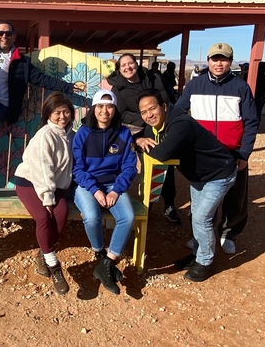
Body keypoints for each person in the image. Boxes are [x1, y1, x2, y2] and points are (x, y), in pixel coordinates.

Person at [136, 90, 237, 282]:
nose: (149, 115)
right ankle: (199, 254)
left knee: (201, 218)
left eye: (152, 108)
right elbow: (143, 139)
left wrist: (142, 144)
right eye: (143, 112)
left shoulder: (181, 124)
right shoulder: (156, 126)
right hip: (199, 176)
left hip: (219, 174)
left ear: (164, 106)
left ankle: (205, 262)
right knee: (196, 216)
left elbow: (162, 153)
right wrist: (139, 140)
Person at [175, 42, 259, 255]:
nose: (218, 63)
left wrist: (245, 153)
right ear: (208, 61)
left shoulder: (241, 88)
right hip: (202, 154)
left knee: (235, 197)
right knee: (202, 199)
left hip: (232, 152)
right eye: (214, 59)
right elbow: (177, 113)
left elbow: (251, 122)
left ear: (230, 62)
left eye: (223, 59)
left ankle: (228, 234)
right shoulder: (194, 86)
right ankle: (201, 236)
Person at [72, 89, 138, 295]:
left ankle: (108, 264)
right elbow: (77, 169)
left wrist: (116, 190)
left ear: (115, 109)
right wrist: (95, 190)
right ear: (93, 108)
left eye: (109, 106)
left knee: (128, 217)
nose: (105, 111)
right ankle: (100, 253)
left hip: (113, 184)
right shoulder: (82, 133)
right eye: (100, 106)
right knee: (92, 217)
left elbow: (129, 166)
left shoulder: (123, 134)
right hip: (86, 184)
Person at [13, 92, 76, 295]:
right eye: (57, 112)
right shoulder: (45, 135)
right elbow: (43, 168)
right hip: (30, 182)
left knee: (61, 214)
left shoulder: (71, 134)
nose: (62, 116)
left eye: (66, 111)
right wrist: (47, 197)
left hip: (54, 185)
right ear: (48, 113)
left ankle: (42, 253)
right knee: (43, 216)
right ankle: (54, 265)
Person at [106, 53, 180, 223]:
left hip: (164, 125)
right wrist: (146, 116)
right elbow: (121, 114)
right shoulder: (118, 88)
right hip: (140, 131)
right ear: (119, 69)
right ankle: (148, 204)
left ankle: (169, 204)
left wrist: (171, 114)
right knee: (149, 167)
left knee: (167, 165)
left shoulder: (154, 78)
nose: (127, 67)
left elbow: (171, 96)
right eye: (123, 65)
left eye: (130, 63)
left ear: (136, 64)